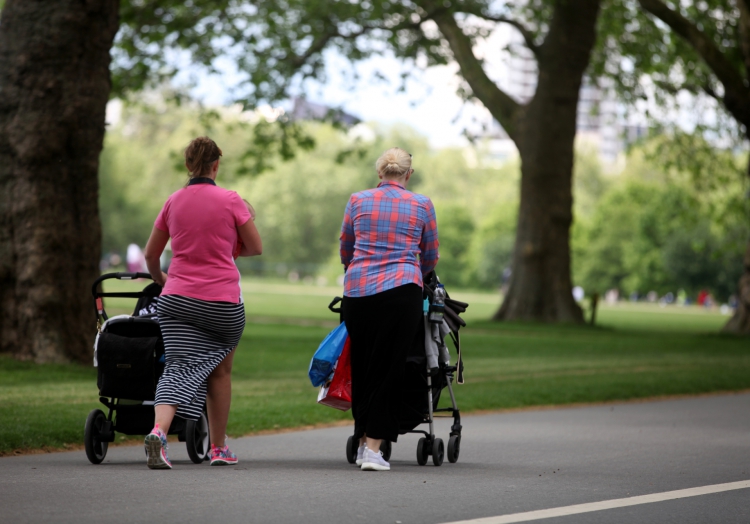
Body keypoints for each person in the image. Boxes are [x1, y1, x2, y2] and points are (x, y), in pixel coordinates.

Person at [143, 136, 262, 469]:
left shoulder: (173, 201)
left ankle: (159, 431)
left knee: (177, 365)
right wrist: (227, 248)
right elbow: (255, 247)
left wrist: (160, 279)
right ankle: (219, 449)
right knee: (220, 373)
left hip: (176, 298)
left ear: (187, 165)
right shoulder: (231, 200)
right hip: (221, 303)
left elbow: (152, 254)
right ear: (216, 165)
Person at [339, 147, 439, 472]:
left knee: (362, 367)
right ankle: (372, 449)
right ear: (408, 174)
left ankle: (362, 439)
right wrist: (416, 272)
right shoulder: (422, 204)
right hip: (401, 291)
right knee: (389, 368)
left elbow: (346, 246)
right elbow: (430, 254)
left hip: (358, 292)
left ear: (379, 172)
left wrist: (354, 269)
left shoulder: (357, 200)